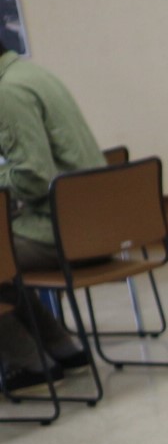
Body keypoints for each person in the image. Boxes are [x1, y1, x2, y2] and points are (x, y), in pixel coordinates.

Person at [0, 41, 102, 387]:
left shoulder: (7, 92)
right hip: (96, 226)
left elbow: (33, 176)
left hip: (61, 231)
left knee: (2, 259)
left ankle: (31, 364)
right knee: (4, 264)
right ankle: (62, 349)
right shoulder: (32, 74)